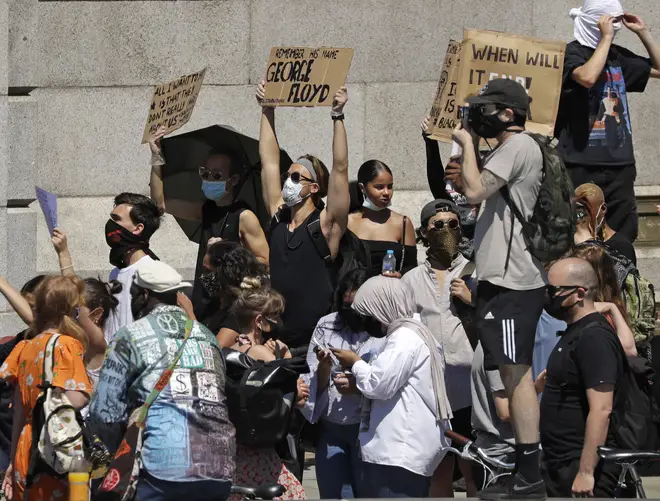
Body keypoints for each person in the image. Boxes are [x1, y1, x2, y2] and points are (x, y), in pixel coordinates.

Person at [452, 78, 547, 499]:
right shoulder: (512, 149)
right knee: (510, 372)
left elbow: (473, 190)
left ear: (508, 113)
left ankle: (529, 468)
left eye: (487, 109)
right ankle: (524, 467)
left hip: (513, 282)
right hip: (500, 280)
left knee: (516, 372)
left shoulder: (520, 146)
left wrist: (466, 141)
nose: (479, 115)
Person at [89, 259, 235, 501]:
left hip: (161, 468)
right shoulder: (206, 335)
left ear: (143, 295)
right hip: (219, 467)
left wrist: (111, 453)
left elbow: (105, 413)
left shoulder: (130, 336)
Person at [332, 276, 452, 499]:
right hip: (403, 451)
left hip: (398, 452)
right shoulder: (416, 332)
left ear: (382, 307)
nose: (366, 320)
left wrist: (355, 362)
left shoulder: (405, 338)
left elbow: (378, 385)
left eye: (369, 314)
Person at [257, 81, 350, 353]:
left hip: (318, 344)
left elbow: (341, 169)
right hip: (277, 340)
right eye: (288, 176)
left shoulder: (326, 224)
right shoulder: (278, 216)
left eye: (297, 177)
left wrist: (338, 115)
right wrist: (267, 109)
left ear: (315, 187)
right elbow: (269, 161)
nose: (288, 181)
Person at [555, 0, 660, 242]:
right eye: (609, 21)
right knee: (580, 233)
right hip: (579, 163)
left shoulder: (616, 57)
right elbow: (588, 77)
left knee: (622, 235)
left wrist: (644, 32)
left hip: (619, 166)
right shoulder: (572, 53)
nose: (614, 28)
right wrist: (605, 39)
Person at [149, 126, 270, 324]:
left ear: (233, 180)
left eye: (216, 175)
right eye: (204, 173)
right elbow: (159, 204)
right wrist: (156, 159)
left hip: (229, 306)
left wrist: (228, 255)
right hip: (204, 296)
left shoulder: (244, 216)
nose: (208, 179)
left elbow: (264, 261)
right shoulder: (207, 209)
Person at [402, 198, 476, 497]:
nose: (446, 230)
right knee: (439, 468)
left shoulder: (477, 272)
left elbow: (496, 319)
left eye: (453, 224)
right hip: (432, 391)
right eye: (438, 225)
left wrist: (473, 300)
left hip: (471, 388)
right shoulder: (411, 280)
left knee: (474, 465)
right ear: (423, 232)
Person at [540, 257, 629, 497]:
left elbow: (602, 409)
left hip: (580, 469)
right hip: (559, 464)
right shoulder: (575, 333)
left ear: (579, 293)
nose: (548, 296)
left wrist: (586, 471)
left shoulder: (594, 337)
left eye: (554, 290)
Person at [0, 276, 91, 501]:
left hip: (25, 448)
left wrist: (12, 461)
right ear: (69, 312)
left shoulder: (24, 347)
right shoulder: (67, 346)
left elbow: (19, 410)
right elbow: (79, 397)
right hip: (55, 448)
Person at [300, 269, 384, 499]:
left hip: (367, 429)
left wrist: (357, 387)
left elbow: (388, 382)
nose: (351, 313)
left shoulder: (383, 329)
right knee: (333, 492)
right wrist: (325, 368)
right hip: (331, 427)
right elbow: (310, 378)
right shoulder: (327, 325)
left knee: (366, 493)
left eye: (356, 307)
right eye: (345, 305)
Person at [227, 284, 308, 501]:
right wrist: (285, 356)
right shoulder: (261, 353)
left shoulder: (231, 351)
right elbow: (298, 396)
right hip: (263, 453)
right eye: (274, 316)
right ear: (259, 321)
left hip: (236, 450)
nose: (278, 322)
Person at [103, 192, 164, 342]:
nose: (110, 225)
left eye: (117, 220)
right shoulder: (116, 272)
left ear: (137, 229)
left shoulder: (152, 272)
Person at [347, 160, 417, 277]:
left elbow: (411, 267)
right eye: (379, 187)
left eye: (390, 187)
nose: (386, 193)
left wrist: (399, 275)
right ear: (362, 188)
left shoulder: (403, 223)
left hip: (387, 292)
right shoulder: (348, 222)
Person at [198, 240, 270, 347]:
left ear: (225, 274)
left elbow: (214, 350)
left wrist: (190, 317)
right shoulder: (217, 303)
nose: (203, 277)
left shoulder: (239, 310)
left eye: (208, 272)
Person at [575, 182, 636, 263]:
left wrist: (588, 245)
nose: (582, 219)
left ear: (603, 209)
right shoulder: (571, 243)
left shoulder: (621, 246)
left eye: (587, 211)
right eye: (577, 212)